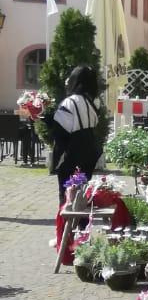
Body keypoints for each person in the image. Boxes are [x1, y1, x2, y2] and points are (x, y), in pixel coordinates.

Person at [48, 66, 103, 200]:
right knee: (82, 193)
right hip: (89, 154)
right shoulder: (93, 102)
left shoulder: (70, 102)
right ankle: (81, 213)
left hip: (71, 155)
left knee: (67, 195)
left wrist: (55, 162)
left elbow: (61, 131)